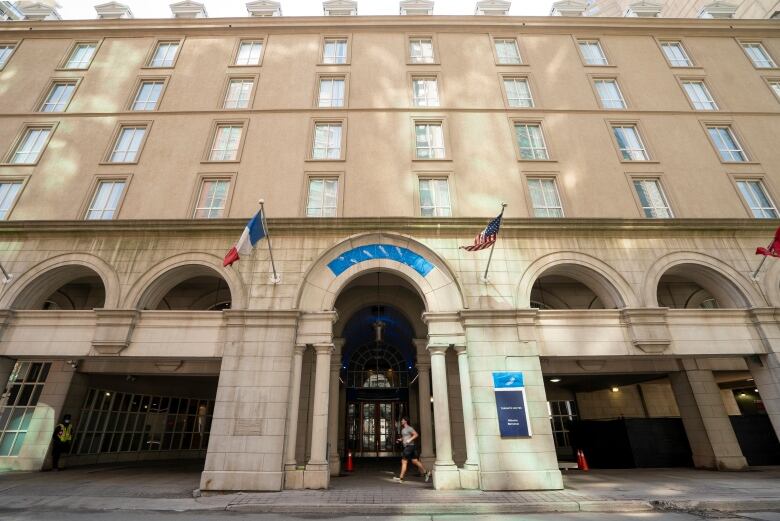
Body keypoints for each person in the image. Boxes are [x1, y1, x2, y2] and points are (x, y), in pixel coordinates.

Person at [392, 417, 431, 483]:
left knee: (404, 462)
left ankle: (401, 478)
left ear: (405, 421)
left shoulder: (409, 428)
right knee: (415, 461)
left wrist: (410, 440)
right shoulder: (403, 429)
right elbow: (405, 437)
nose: (401, 421)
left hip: (409, 447)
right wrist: (400, 440)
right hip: (411, 447)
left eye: (402, 420)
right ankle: (426, 472)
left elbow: (416, 434)